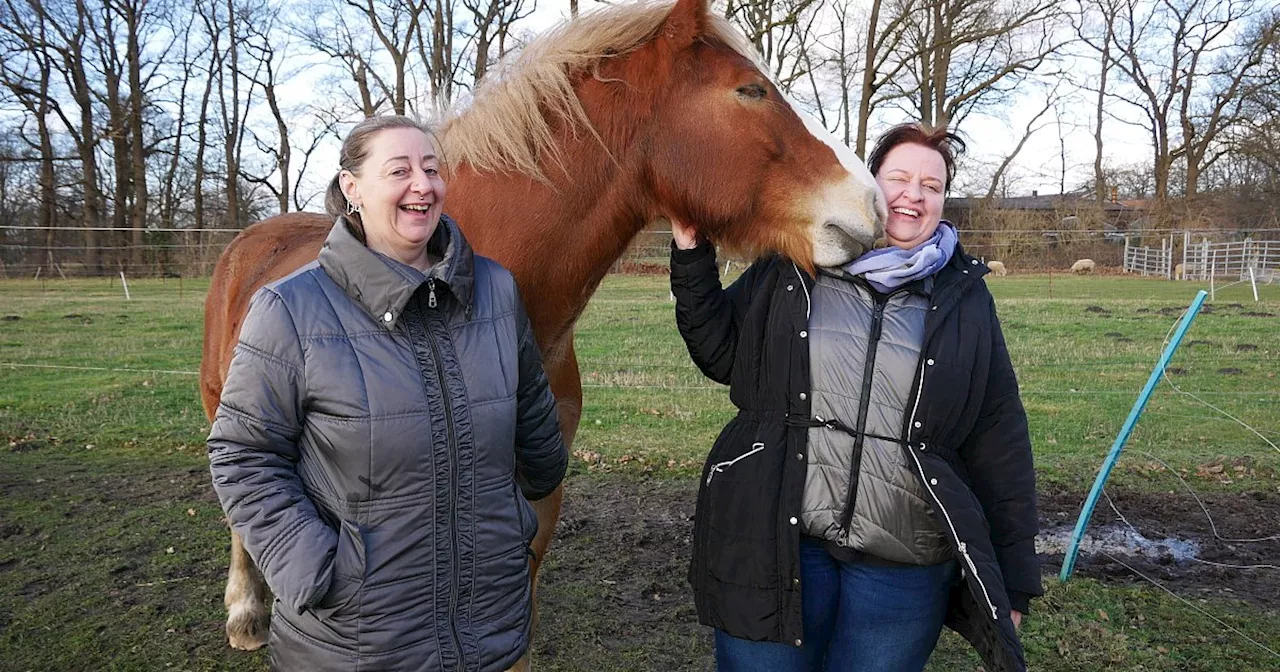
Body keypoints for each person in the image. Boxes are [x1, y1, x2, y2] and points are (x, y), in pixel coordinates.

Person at [669, 123, 1041, 672]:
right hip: (778, 539)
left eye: (932, 186)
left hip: (902, 566)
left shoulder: (965, 299)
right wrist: (690, 254)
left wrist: (1013, 580)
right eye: (900, 178)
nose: (914, 195)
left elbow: (998, 436)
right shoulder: (799, 263)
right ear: (871, 183)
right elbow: (721, 352)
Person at [207, 115, 568, 671]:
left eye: (431, 168)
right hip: (358, 641)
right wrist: (314, 569)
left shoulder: (496, 289)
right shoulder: (290, 309)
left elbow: (531, 411)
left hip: (490, 630)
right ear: (352, 188)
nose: (422, 184)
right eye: (398, 170)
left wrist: (520, 513)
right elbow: (242, 454)